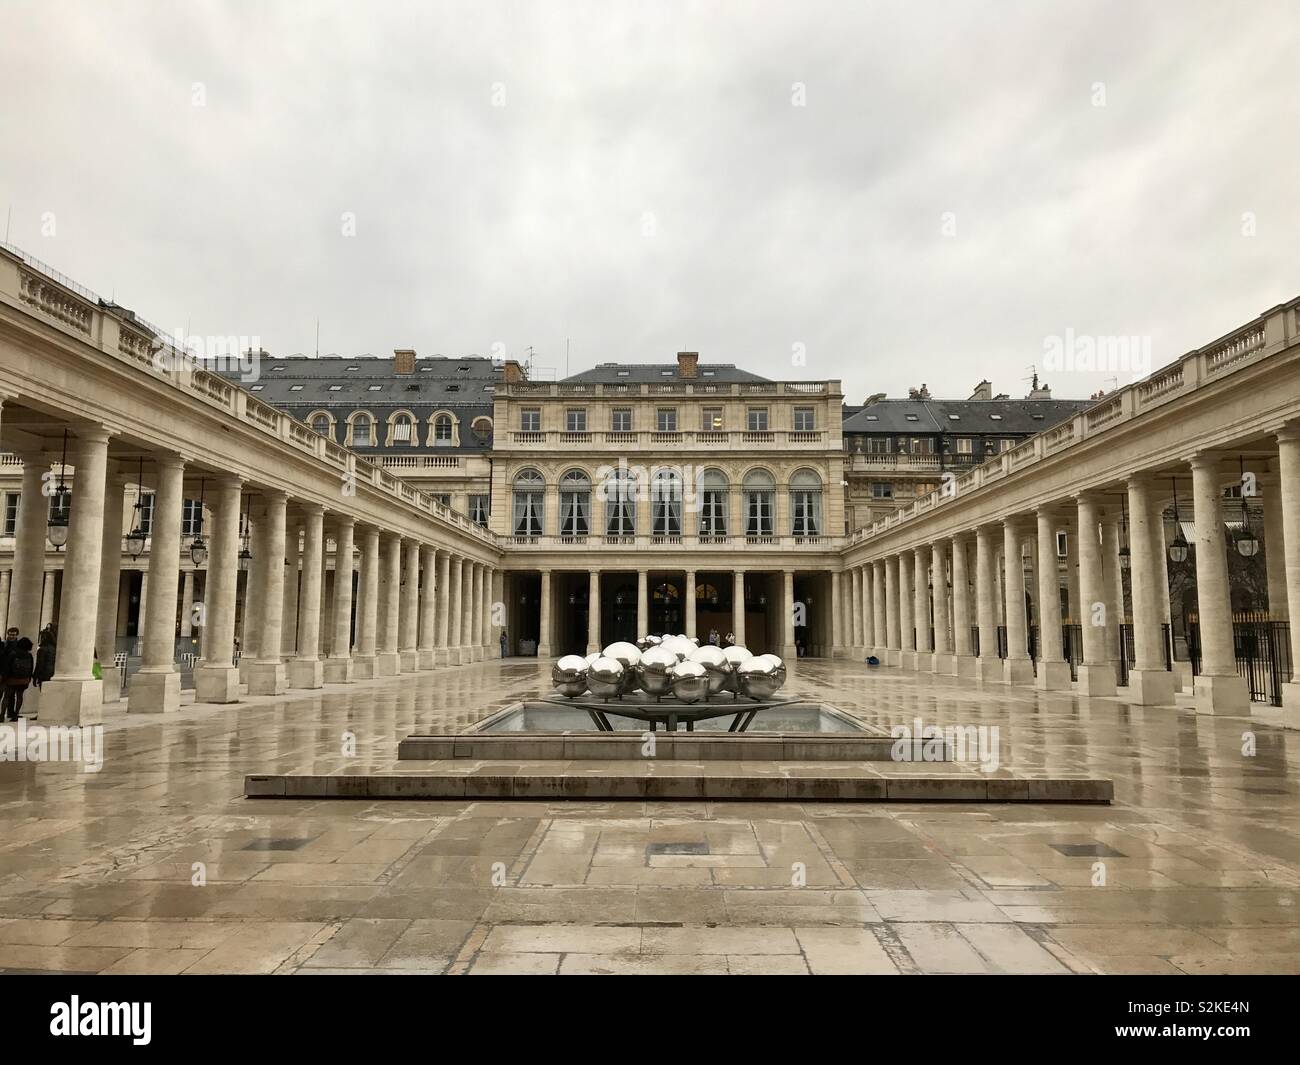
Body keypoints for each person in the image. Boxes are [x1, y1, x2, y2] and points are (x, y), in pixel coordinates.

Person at [1, 637, 34, 721]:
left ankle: (1, 716)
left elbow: (8, 666)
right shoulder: (29, 655)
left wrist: (5, 678)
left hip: (12, 679)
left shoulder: (13, 653)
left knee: (7, 696)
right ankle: (15, 715)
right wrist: (29, 678)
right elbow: (31, 668)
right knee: (20, 696)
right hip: (24, 680)